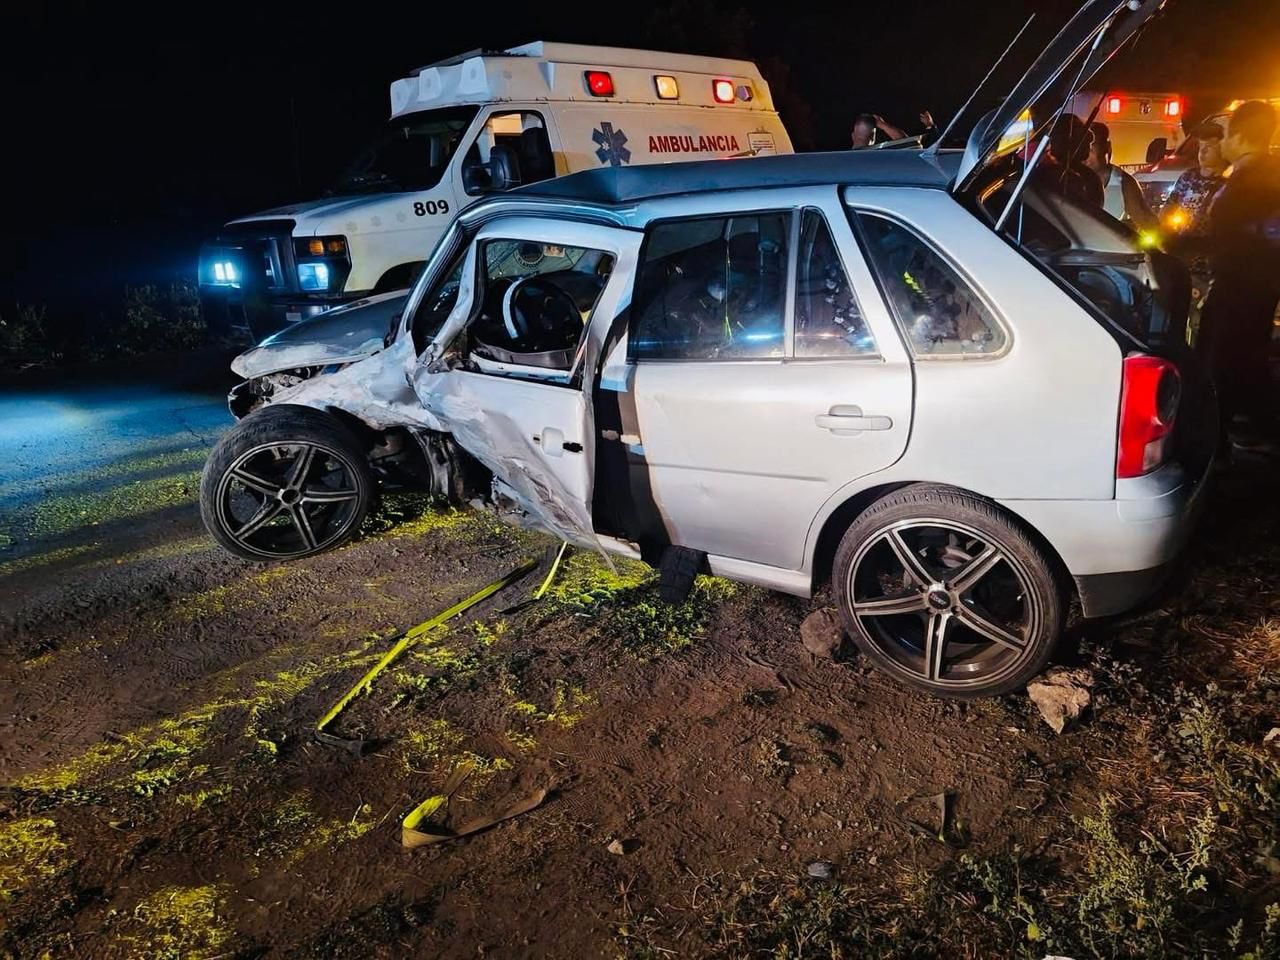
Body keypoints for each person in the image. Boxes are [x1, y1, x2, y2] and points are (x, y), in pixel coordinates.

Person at [1198, 99, 1280, 452]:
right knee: (1247, 360)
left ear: (1243, 135)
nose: (1224, 141)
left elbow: (1232, 238)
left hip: (1238, 289)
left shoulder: (1250, 183)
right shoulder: (1262, 175)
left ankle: (1216, 450)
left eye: (1228, 133)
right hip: (1256, 289)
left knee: (1217, 366)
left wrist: (1183, 247)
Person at [1086, 121, 1158, 231]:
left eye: (1090, 149)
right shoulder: (1067, 179)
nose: (1084, 156)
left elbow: (1149, 225)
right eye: (1080, 149)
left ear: (1107, 147)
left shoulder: (1124, 184)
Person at [1033, 114, 1105, 207]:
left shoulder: (1089, 178)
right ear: (1062, 138)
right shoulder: (1051, 178)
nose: (1090, 137)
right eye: (1079, 129)